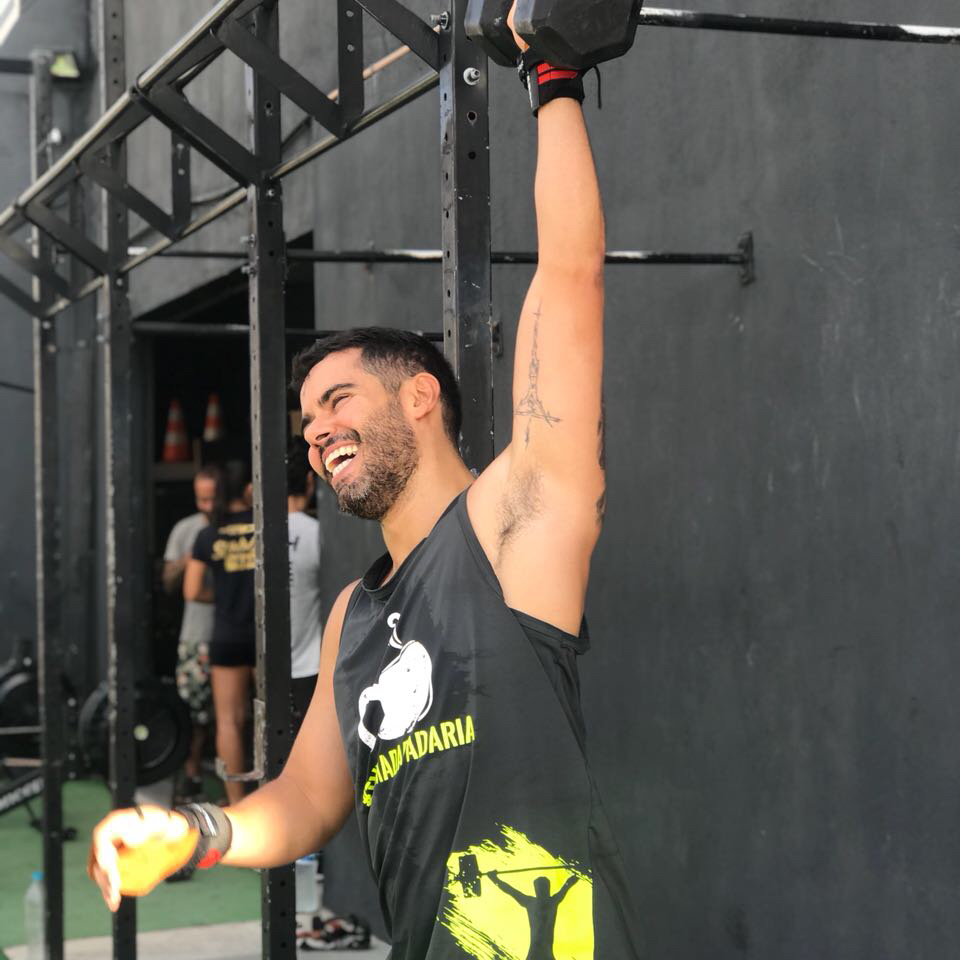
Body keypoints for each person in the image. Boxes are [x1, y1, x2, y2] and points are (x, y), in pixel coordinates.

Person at [90, 7, 640, 957]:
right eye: (307, 421)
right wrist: (195, 831)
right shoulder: (355, 615)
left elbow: (570, 277)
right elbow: (307, 800)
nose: (316, 432)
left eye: (338, 400)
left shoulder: (513, 524)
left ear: (421, 395)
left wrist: (551, 79)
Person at [185, 459, 256, 806]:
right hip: (267, 634)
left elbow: (191, 590)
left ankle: (237, 804)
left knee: (229, 722)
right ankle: (280, 796)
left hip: (227, 635)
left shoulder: (208, 534)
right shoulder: (266, 524)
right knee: (277, 715)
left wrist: (223, 596)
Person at [161, 465, 219, 802]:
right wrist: (188, 560)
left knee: (232, 714)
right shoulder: (186, 529)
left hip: (231, 632)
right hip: (195, 635)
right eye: (202, 499)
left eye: (212, 498)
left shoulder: (236, 527)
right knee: (192, 715)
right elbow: (167, 583)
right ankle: (192, 776)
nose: (207, 506)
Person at [286, 439, 323, 736]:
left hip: (267, 663)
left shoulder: (257, 533)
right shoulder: (317, 534)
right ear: (311, 481)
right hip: (312, 663)